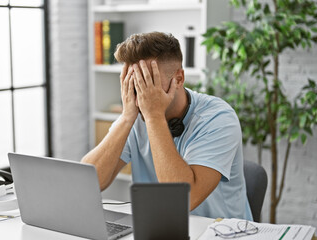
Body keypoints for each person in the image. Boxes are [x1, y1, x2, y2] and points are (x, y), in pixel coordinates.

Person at [81, 32, 253, 220]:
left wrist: (154, 116)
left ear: (178, 79)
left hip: (220, 232)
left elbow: (185, 200)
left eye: (148, 80)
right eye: (133, 80)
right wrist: (126, 118)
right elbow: (86, 183)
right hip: (160, 228)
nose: (139, 90)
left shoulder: (218, 118)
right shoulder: (134, 115)